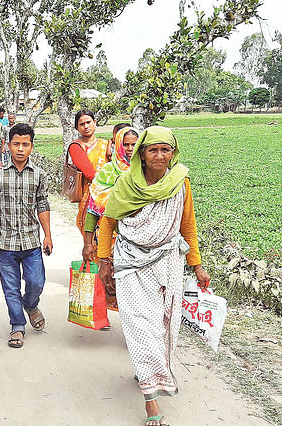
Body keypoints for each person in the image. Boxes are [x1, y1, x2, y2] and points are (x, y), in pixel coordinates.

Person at [96, 126, 211, 426]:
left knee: (163, 325)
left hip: (168, 263)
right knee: (138, 325)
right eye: (152, 150)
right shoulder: (125, 184)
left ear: (174, 153)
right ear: (142, 155)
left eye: (166, 150)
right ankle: (150, 398)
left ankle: (147, 368)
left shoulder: (180, 183)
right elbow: (108, 222)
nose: (159, 156)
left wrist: (197, 265)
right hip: (131, 264)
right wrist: (103, 260)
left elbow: (188, 226)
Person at [0, 123, 52, 349]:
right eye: (16, 144)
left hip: (32, 241)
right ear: (8, 146)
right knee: (10, 288)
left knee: (36, 282)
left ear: (31, 147)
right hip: (6, 244)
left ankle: (31, 304)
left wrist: (48, 235)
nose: (20, 149)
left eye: (25, 144)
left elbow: (43, 204)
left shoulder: (39, 175)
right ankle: (17, 326)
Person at [82, 126, 139, 310]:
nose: (130, 149)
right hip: (113, 240)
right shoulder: (108, 172)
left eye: (134, 144)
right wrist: (88, 243)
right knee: (110, 283)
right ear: (118, 146)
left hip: (142, 241)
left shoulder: (146, 172)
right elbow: (93, 209)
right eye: (126, 144)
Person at [68, 109, 110, 234]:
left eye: (88, 122)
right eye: (82, 124)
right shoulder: (76, 147)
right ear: (77, 128)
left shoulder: (106, 144)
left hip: (110, 196)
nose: (86, 126)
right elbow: (90, 174)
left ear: (94, 122)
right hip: (89, 196)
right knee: (92, 236)